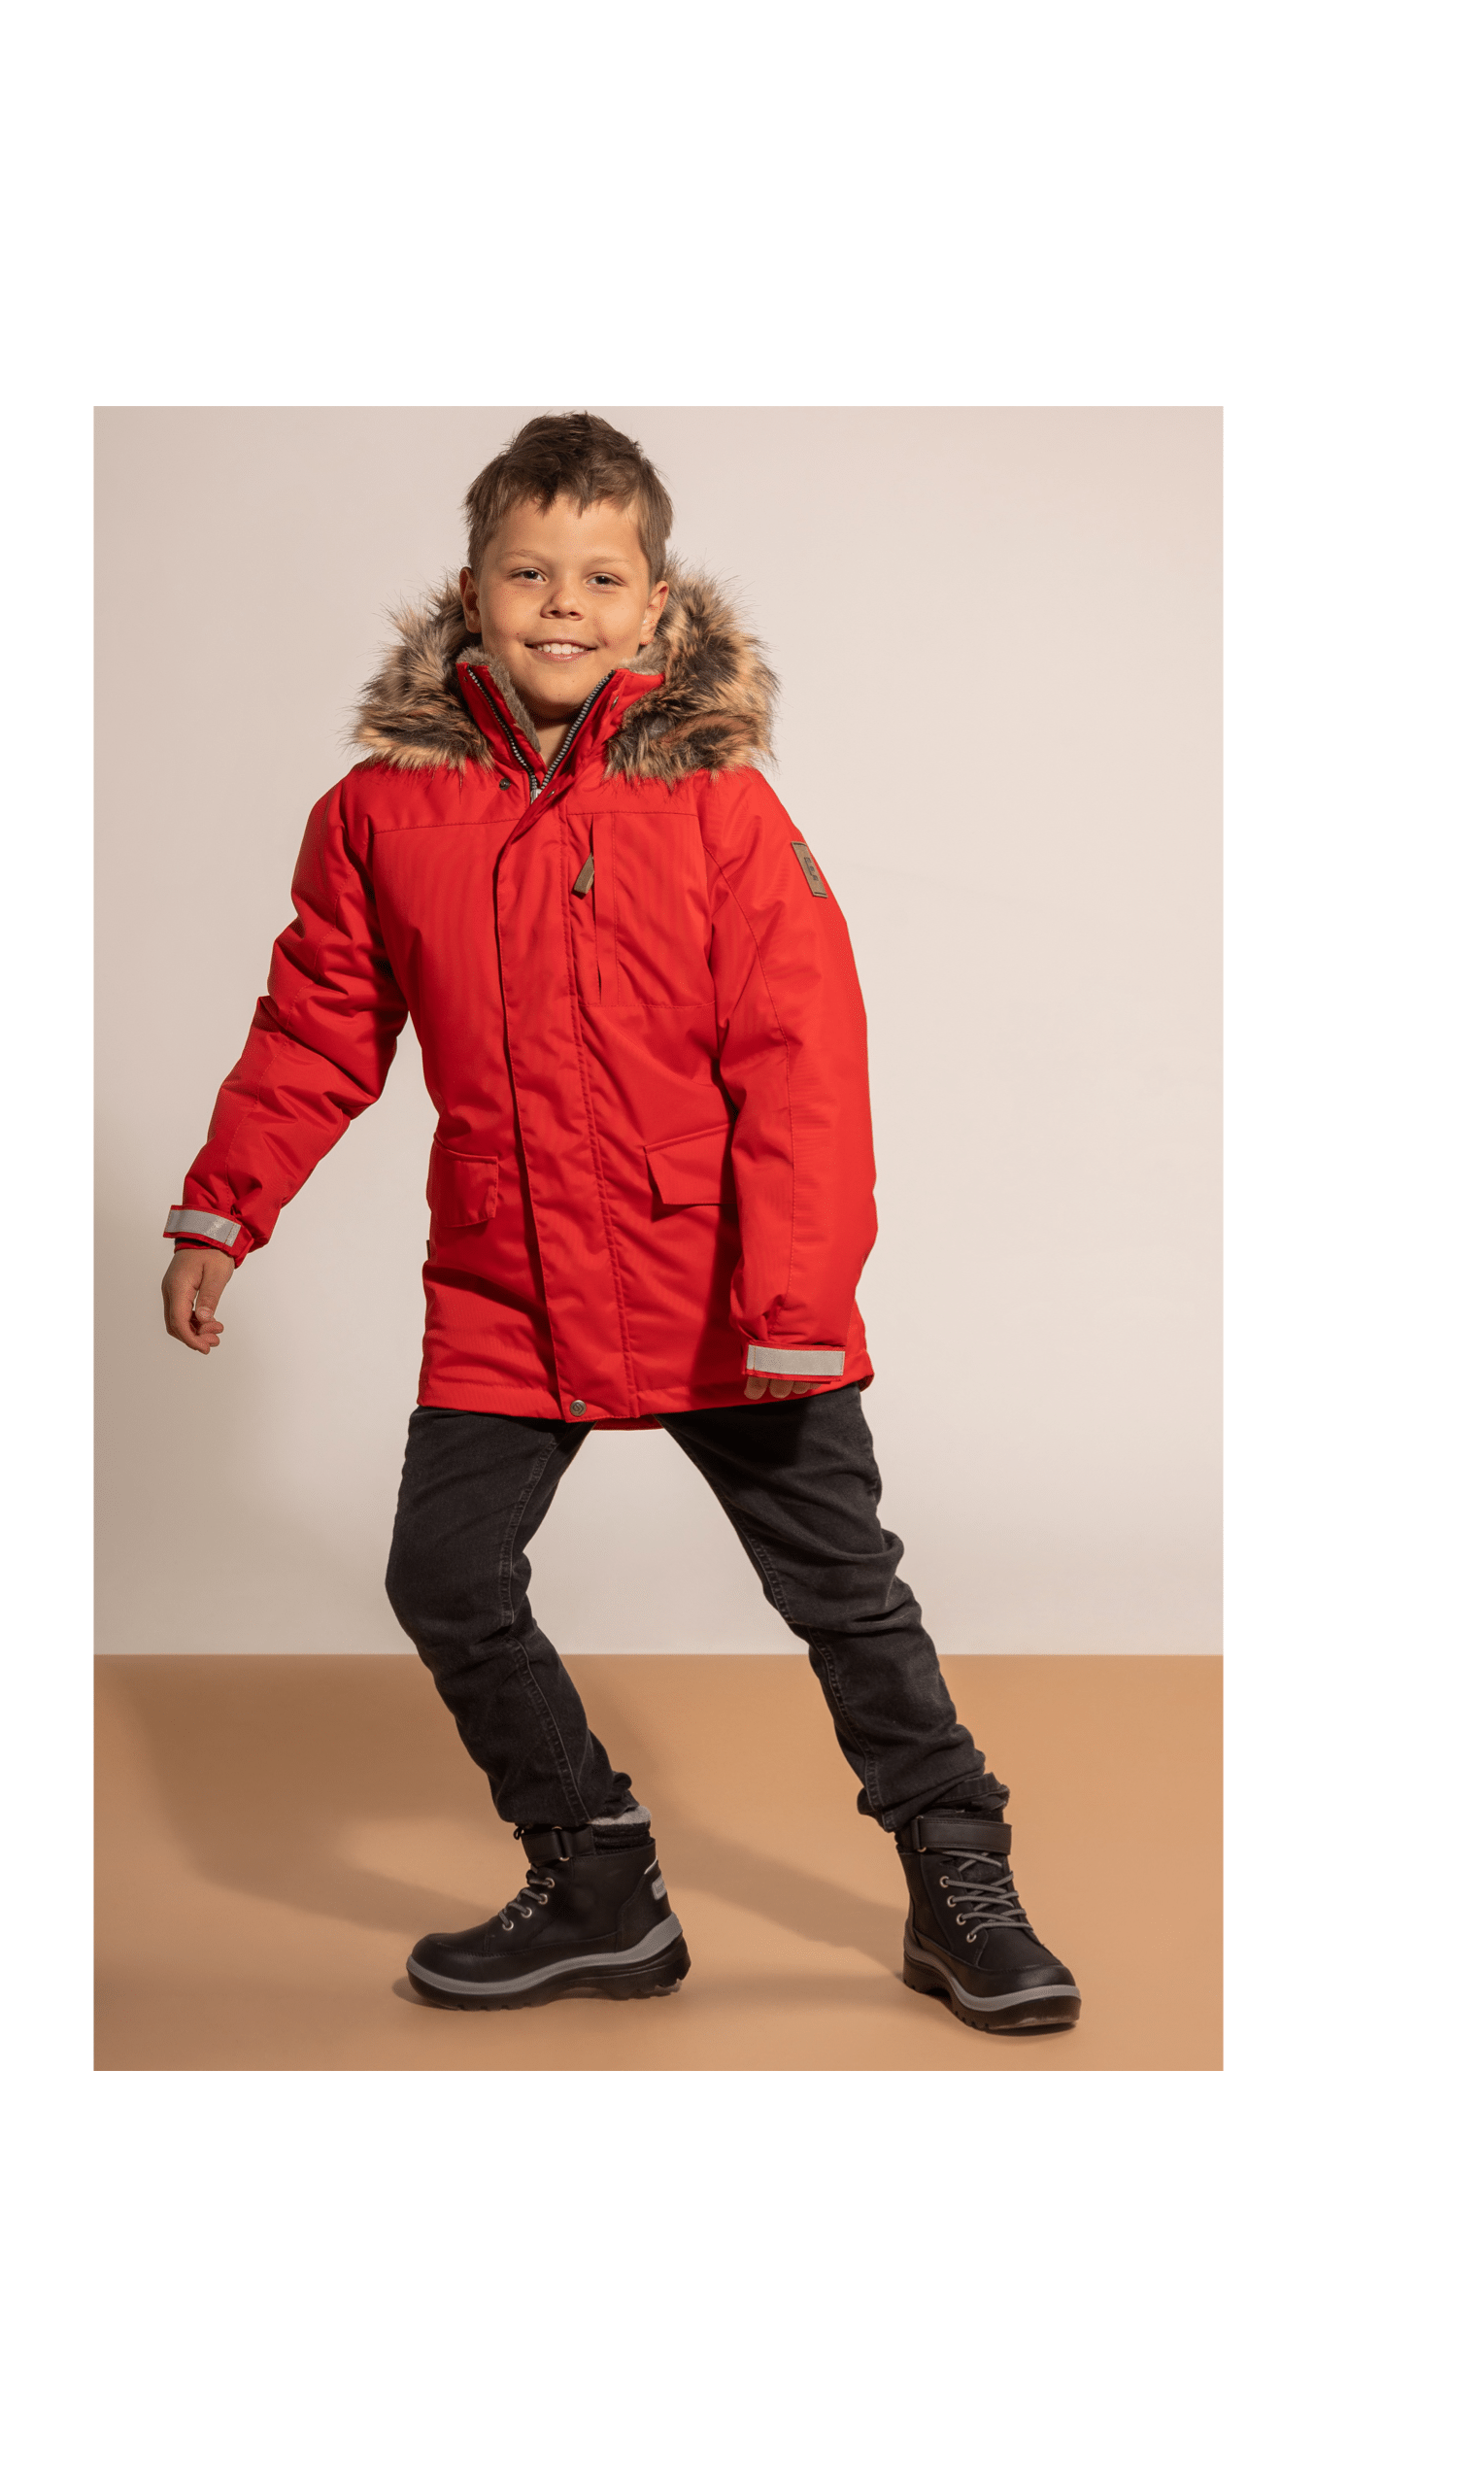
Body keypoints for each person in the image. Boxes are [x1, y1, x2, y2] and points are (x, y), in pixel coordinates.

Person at [160, 412, 1081, 2032]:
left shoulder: (719, 804)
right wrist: (223, 1210)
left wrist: (796, 1297)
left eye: (600, 576)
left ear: (657, 603)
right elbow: (318, 1024)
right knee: (446, 1573)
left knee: (846, 1592)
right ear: (472, 589)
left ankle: (959, 1874)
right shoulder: (380, 814)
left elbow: (805, 1054)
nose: (563, 605)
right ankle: (595, 1876)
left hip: (728, 1282)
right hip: (511, 1278)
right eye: (530, 573)